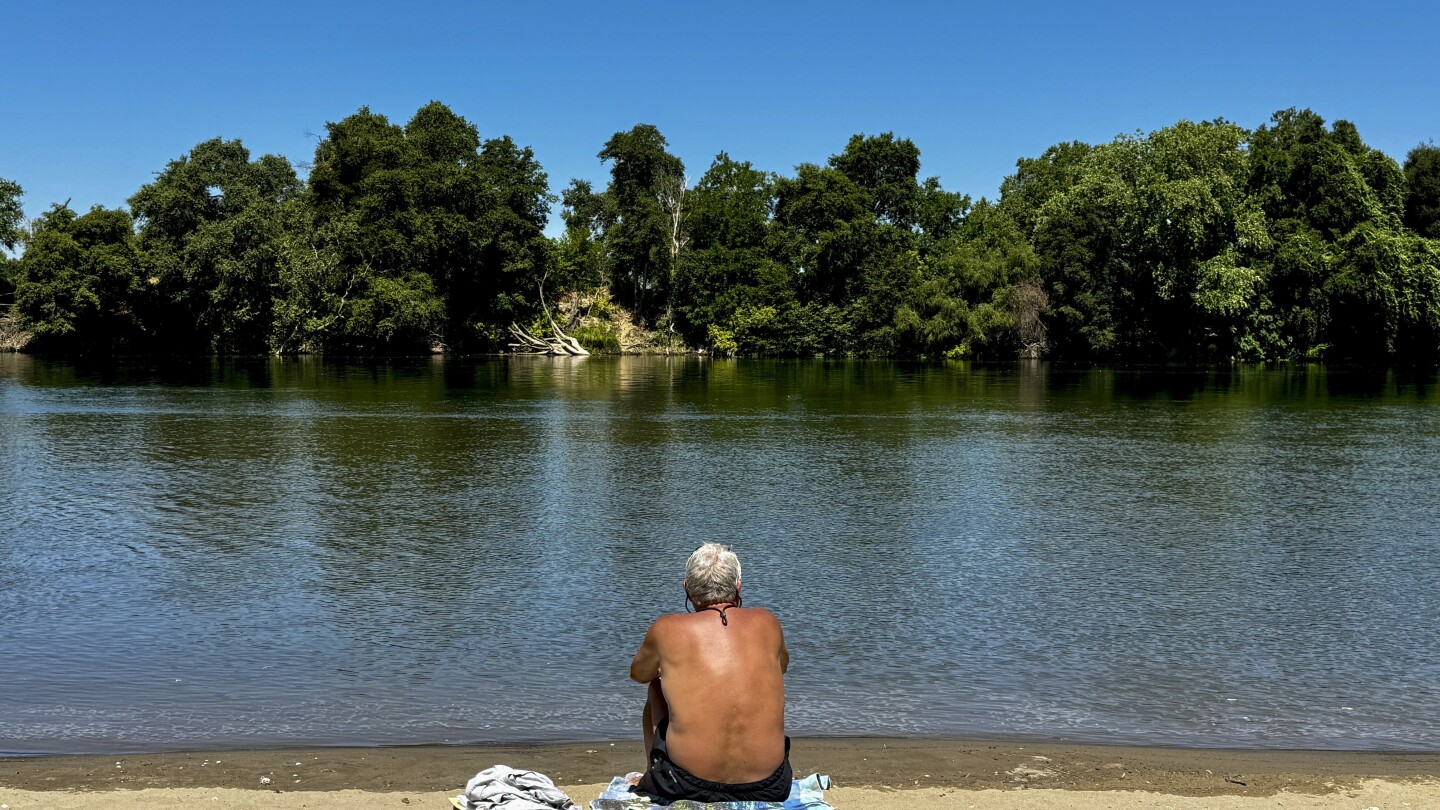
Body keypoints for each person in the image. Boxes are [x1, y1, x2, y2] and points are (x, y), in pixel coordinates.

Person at [629, 542, 792, 803]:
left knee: (656, 685)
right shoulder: (768, 622)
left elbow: (638, 674)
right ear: (738, 586)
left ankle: (653, 774)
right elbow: (781, 667)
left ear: (687, 588)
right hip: (771, 785)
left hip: (682, 784)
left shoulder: (667, 628)